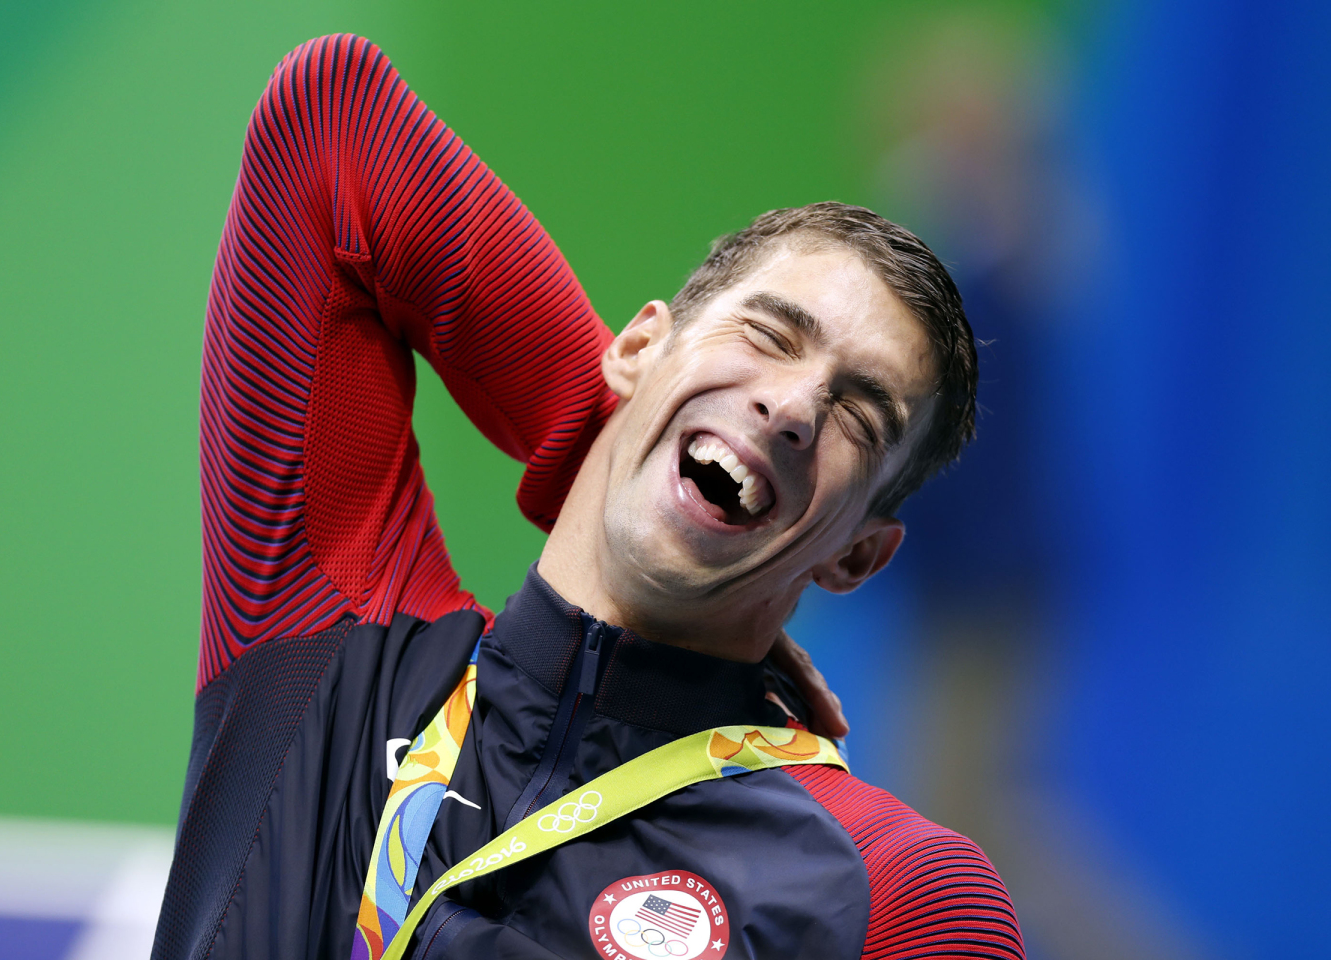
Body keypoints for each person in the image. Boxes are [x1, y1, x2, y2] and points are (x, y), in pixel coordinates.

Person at [152, 34, 1023, 960]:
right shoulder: (330, 642)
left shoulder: (894, 889)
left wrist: (678, 479)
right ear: (641, 346)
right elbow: (330, 124)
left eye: (859, 414)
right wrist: (620, 451)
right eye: (768, 335)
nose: (793, 406)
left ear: (854, 554)